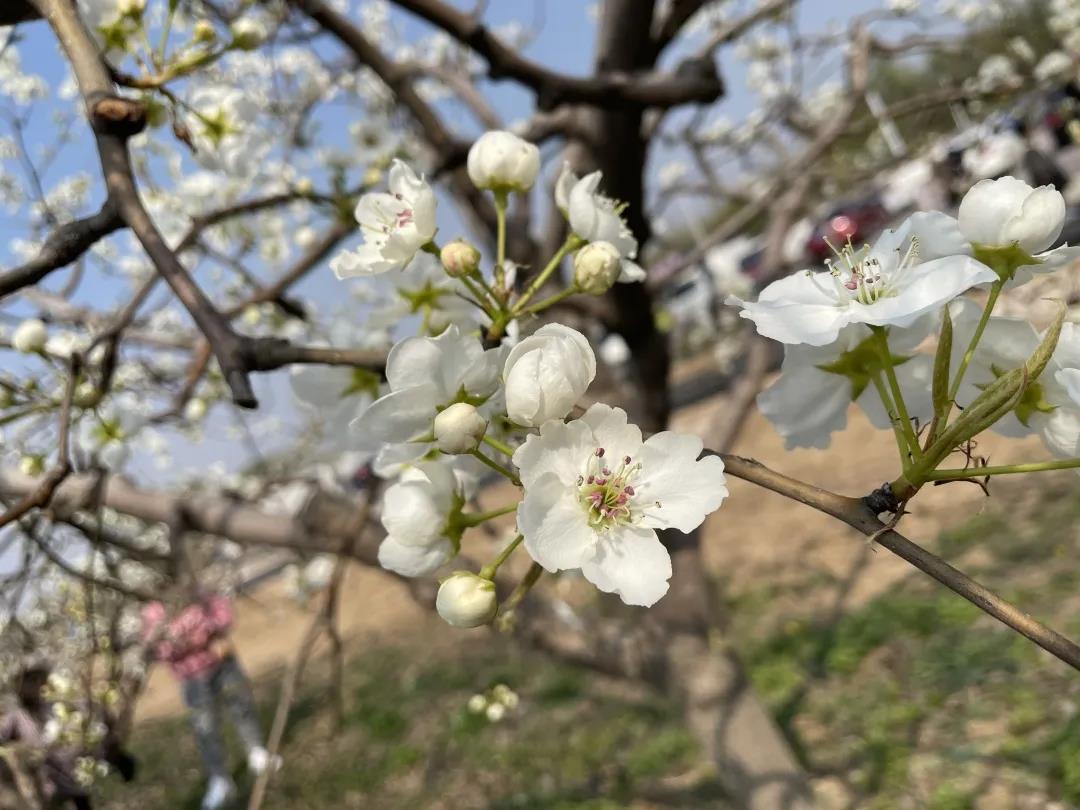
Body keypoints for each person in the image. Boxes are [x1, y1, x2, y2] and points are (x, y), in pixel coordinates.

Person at [141, 590, 280, 810]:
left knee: (242, 705)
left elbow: (224, 614)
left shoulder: (195, 589)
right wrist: (193, 638)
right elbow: (159, 649)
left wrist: (201, 631)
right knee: (205, 728)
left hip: (222, 663)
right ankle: (220, 779)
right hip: (192, 677)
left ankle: (256, 751)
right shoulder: (153, 611)